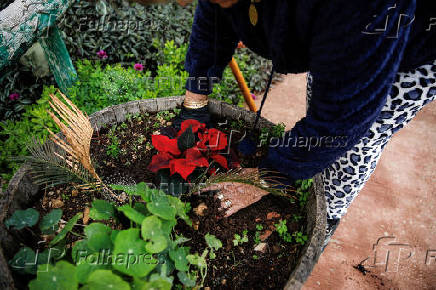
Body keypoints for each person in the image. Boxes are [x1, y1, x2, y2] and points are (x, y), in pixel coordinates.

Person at [177, 0, 436, 248]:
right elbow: (214, 17)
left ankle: (328, 215)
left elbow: (342, 117)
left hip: (412, 49)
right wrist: (195, 102)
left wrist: (268, 176)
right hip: (344, 33)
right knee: (326, 88)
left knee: (359, 141)